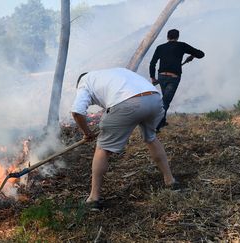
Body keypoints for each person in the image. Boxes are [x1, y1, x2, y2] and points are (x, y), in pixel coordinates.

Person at [71, 67, 176, 211]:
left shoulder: (84, 82)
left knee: (103, 148)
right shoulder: (110, 73)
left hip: (128, 103)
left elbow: (77, 112)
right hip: (154, 99)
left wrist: (87, 133)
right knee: (151, 138)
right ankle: (170, 180)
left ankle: (94, 198)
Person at [149, 29, 205, 132]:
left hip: (161, 77)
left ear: (167, 37)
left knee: (165, 99)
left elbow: (152, 63)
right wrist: (193, 55)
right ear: (177, 37)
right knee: (165, 101)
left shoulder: (160, 47)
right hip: (173, 78)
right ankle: (156, 126)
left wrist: (153, 77)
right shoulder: (182, 46)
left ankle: (162, 121)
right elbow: (201, 54)